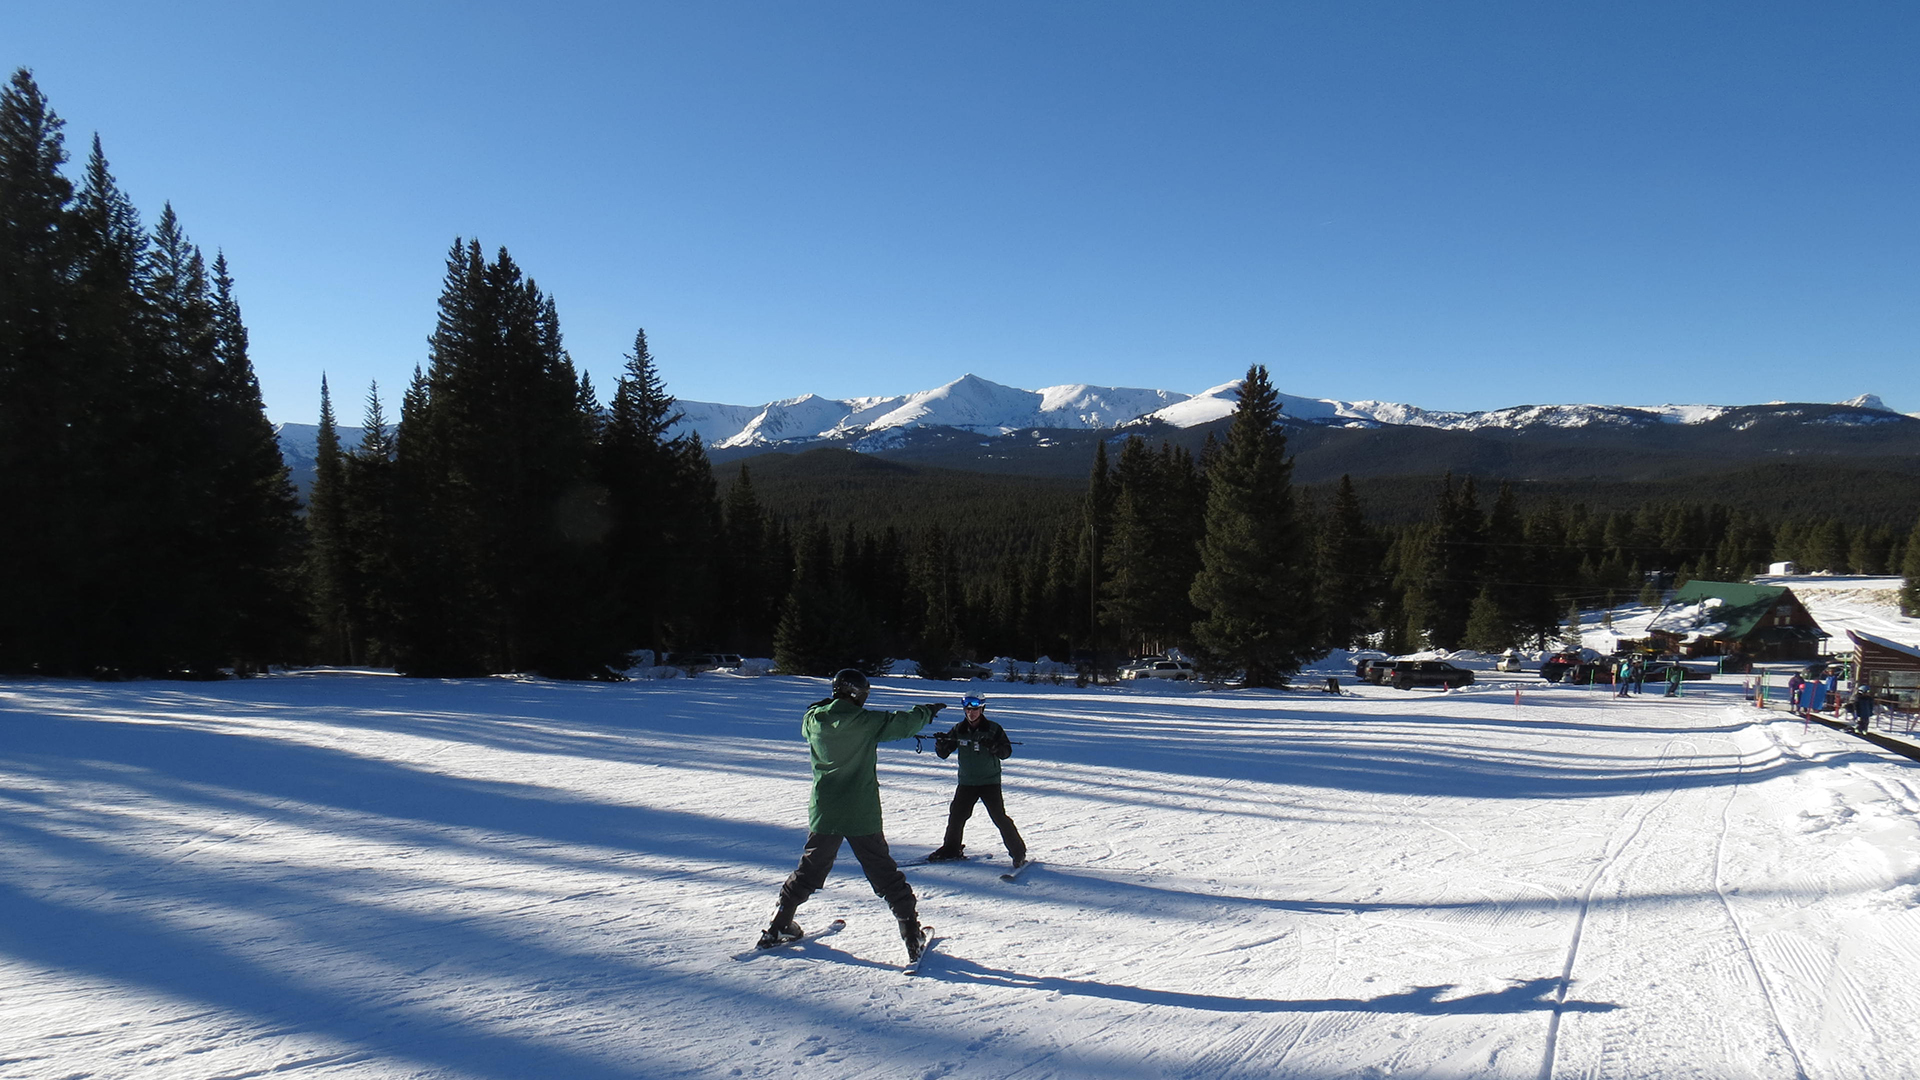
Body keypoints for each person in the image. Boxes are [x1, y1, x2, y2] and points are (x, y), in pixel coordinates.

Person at [757, 669, 946, 961]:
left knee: (809, 870)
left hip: (825, 812)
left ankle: (779, 925)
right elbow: (904, 723)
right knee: (884, 874)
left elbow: (811, 713)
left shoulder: (813, 721)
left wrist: (823, 706)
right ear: (859, 695)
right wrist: (927, 711)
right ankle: (911, 934)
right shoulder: (867, 722)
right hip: (861, 813)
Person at [925, 693, 1028, 868]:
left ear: (982, 709)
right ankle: (951, 849)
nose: (971, 713)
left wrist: (994, 746)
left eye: (975, 709)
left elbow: (1006, 753)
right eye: (968, 709)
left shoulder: (994, 729)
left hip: (990, 782)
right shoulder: (959, 729)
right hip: (967, 782)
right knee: (957, 816)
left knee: (999, 818)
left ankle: (1018, 853)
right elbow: (944, 754)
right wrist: (941, 744)